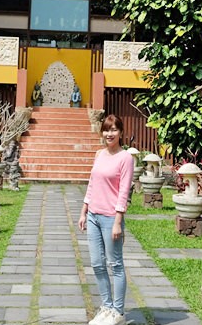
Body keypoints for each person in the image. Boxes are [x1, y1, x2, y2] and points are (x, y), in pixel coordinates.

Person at [79, 114, 134, 325]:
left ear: (120, 133)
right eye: (106, 130)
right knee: (96, 264)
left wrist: (118, 221)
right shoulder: (99, 154)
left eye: (113, 130)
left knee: (115, 264)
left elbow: (123, 191)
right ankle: (106, 307)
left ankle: (118, 312)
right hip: (93, 215)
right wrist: (84, 211)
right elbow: (92, 184)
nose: (109, 134)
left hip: (111, 218)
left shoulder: (125, 157)